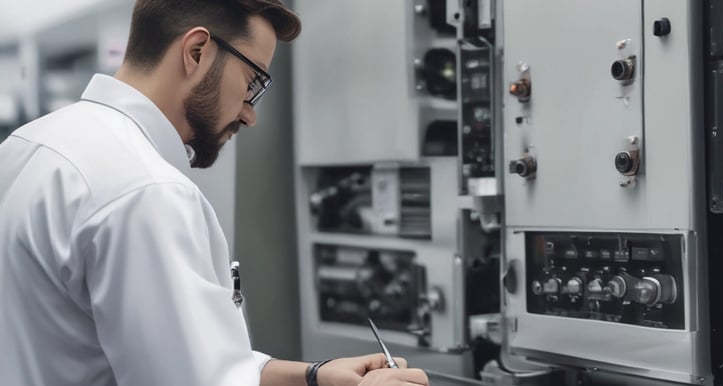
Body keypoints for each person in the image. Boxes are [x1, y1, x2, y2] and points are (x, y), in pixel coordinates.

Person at [0, 1, 430, 385]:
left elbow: (195, 362)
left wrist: (315, 377)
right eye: (253, 81)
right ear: (197, 52)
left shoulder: (28, 145)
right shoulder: (146, 192)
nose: (250, 114)